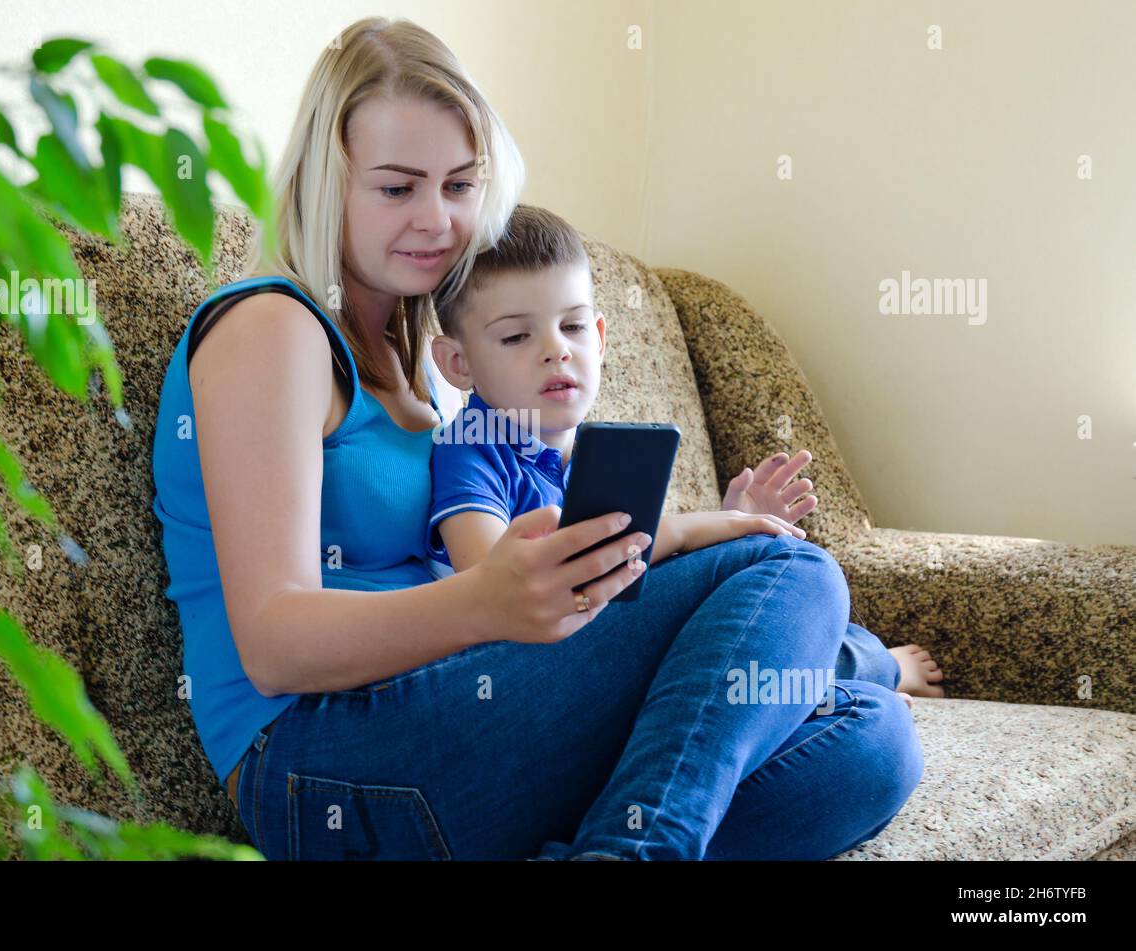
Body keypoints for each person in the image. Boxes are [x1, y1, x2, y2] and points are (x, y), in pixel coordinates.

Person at [151, 15, 926, 860]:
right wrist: (486, 600)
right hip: (320, 763)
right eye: (396, 187)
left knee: (873, 741)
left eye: (459, 185)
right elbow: (273, 644)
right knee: (788, 568)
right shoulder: (274, 326)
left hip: (455, 720)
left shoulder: (429, 366)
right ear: (326, 180)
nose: (437, 220)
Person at [424, 203, 946, 701]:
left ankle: (832, 686)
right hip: (532, 670)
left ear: (601, 339)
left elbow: (633, 572)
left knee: (774, 595)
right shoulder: (470, 446)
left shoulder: (599, 454)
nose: (556, 349)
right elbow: (488, 578)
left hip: (605, 642)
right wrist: (705, 530)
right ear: (458, 363)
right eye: (517, 336)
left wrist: (723, 529)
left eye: (574, 326)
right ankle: (875, 671)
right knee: (752, 604)